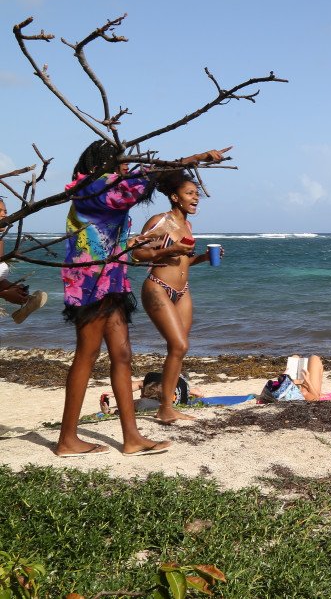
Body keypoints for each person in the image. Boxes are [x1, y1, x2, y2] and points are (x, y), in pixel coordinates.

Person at [54, 139, 229, 457]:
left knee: (122, 357)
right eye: (119, 165)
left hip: (114, 285)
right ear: (99, 167)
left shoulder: (104, 195)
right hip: (91, 286)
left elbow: (113, 241)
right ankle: (67, 439)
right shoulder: (90, 192)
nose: (125, 170)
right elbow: (146, 178)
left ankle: (131, 438)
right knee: (86, 355)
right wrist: (196, 156)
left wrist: (138, 240)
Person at [132, 171, 223, 424]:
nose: (196, 198)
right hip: (158, 287)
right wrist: (171, 248)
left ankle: (166, 405)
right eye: (189, 194)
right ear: (175, 197)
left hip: (182, 291)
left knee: (179, 348)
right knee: (179, 345)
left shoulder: (187, 225)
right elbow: (137, 252)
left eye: (196, 194)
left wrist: (203, 258)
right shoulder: (161, 221)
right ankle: (165, 407)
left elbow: (183, 261)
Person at [0, 196, 49, 324]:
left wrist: (13, 288)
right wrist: (5, 294)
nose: (3, 215)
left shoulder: (0, 242)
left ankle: (25, 300)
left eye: (5, 211)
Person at [261, 354, 326, 402]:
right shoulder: (303, 393)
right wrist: (308, 381)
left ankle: (295, 381)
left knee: (295, 357)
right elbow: (316, 399)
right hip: (310, 390)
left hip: (295, 386)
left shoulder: (287, 391)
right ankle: (319, 391)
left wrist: (284, 377)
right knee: (314, 358)